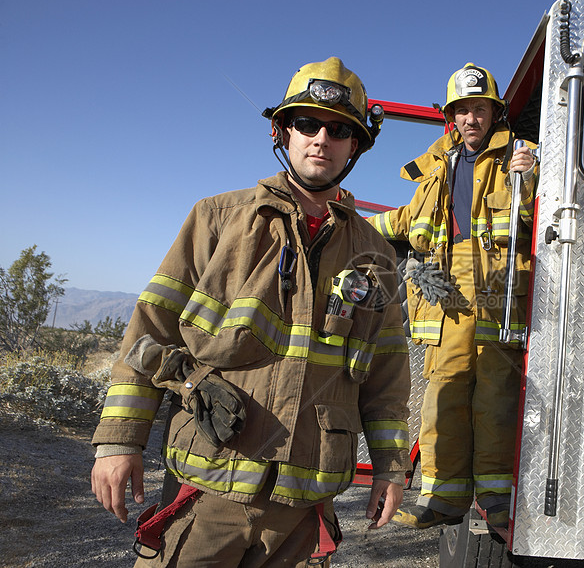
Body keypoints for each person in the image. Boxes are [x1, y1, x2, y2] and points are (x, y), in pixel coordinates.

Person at [90, 56, 411, 566]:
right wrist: (118, 440)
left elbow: (388, 376)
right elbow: (150, 330)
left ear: (355, 145)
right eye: (306, 124)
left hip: (303, 510)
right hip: (209, 489)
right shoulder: (217, 220)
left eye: (338, 129)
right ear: (282, 132)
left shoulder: (376, 254)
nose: (320, 138)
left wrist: (393, 470)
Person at [369, 63, 538, 529]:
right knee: (443, 396)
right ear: (451, 116)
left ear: (493, 112)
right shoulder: (434, 167)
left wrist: (534, 177)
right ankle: (443, 498)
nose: (470, 119)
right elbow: (406, 222)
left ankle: (497, 500)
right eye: (462, 110)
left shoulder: (522, 158)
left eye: (479, 109)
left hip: (497, 289)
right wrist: (352, 222)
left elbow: (542, 220)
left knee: (496, 399)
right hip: (446, 297)